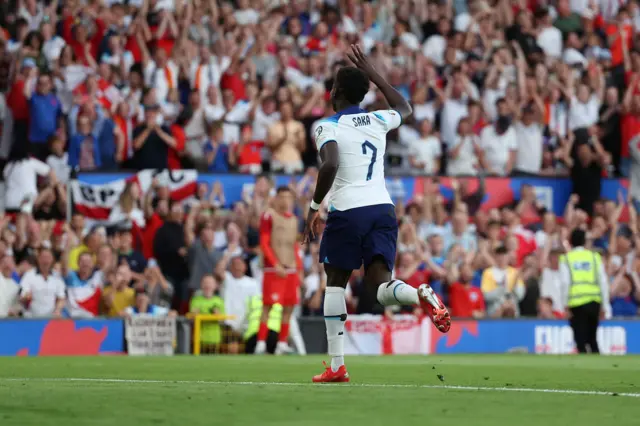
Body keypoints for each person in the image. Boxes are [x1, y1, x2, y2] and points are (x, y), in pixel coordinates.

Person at [302, 45, 450, 384]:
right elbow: (405, 107)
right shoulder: (378, 119)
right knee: (381, 284)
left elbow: (332, 163)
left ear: (334, 92)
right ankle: (419, 294)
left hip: (347, 211)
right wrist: (375, 73)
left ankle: (337, 365)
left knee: (336, 283)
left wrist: (313, 207)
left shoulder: (327, 126)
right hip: (383, 209)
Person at [256, 186, 301, 355]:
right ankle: (261, 343)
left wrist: (299, 267)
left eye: (288, 197)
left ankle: (281, 344)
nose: (285, 200)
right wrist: (275, 263)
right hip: (273, 268)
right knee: (268, 306)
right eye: (282, 196)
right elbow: (264, 242)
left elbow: (294, 246)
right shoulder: (269, 216)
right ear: (276, 198)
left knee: (288, 307)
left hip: (290, 268)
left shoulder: (294, 220)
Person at [559, 229, 612, 353]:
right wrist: (605, 305)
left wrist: (564, 305)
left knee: (580, 341)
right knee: (592, 339)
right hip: (594, 301)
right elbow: (602, 282)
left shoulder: (567, 259)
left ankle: (584, 366)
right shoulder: (594, 257)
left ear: (571, 242)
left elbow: (565, 283)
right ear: (584, 242)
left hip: (576, 302)